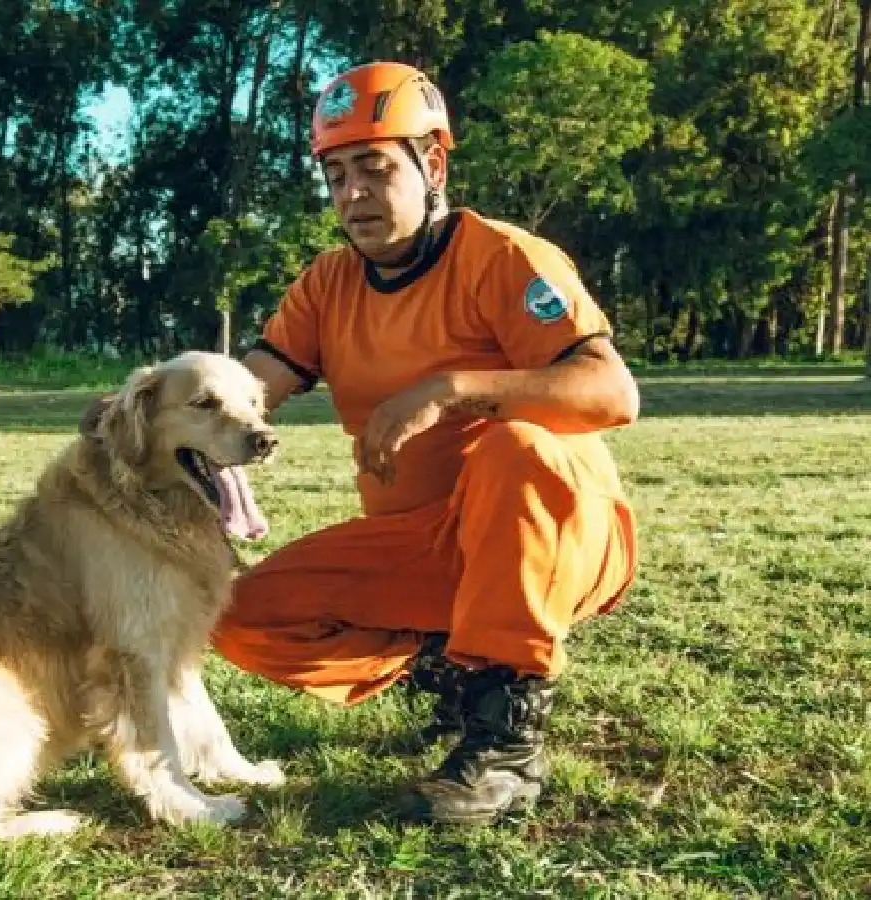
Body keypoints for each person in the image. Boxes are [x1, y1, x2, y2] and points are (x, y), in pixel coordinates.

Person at [208, 60, 642, 826]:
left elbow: (614, 393)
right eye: (337, 176)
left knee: (514, 448)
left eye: (375, 169)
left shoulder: (503, 257)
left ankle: (508, 740)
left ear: (432, 162)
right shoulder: (326, 285)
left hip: (559, 536)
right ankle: (450, 664)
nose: (354, 196)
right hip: (429, 548)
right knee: (236, 614)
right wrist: (149, 416)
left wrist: (449, 389)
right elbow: (247, 390)